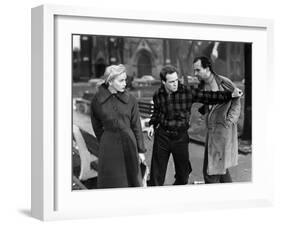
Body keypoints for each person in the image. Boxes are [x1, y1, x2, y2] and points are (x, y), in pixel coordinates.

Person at [147, 65, 242, 186]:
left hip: (180, 137)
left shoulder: (186, 92)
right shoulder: (157, 95)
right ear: (163, 82)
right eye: (171, 82)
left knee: (183, 176)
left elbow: (208, 96)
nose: (175, 84)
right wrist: (152, 124)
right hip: (162, 137)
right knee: (156, 176)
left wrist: (230, 95)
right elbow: (157, 112)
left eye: (176, 80)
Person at [90, 64, 146, 188]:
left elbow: (136, 125)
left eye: (125, 79)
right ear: (110, 81)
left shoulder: (131, 99)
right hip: (109, 147)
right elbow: (96, 126)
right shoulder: (97, 100)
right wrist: (106, 140)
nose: (125, 83)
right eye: (121, 80)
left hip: (129, 144)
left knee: (132, 181)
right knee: (112, 182)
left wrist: (141, 150)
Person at [193, 56, 241, 183]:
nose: (195, 73)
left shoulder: (224, 83)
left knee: (211, 172)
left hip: (222, 131)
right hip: (211, 132)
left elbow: (236, 100)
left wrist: (229, 120)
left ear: (207, 68)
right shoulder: (202, 86)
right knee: (219, 168)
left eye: (197, 70)